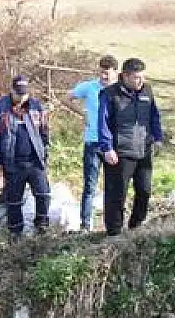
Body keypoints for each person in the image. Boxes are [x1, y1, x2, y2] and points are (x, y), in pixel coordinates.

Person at [97, 57, 165, 236]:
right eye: (136, 77)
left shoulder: (147, 92)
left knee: (144, 190)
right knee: (116, 194)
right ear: (125, 76)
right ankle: (114, 232)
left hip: (143, 150)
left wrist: (158, 137)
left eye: (143, 76)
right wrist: (107, 148)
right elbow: (103, 123)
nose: (141, 80)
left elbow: (154, 116)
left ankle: (136, 226)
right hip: (119, 152)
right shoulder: (110, 94)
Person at [0, 74, 52, 240]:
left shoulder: (36, 106)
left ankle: (42, 226)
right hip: (12, 161)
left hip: (35, 160)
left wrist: (45, 153)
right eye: (18, 94)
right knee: (14, 200)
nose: (21, 98)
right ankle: (15, 233)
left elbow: (44, 131)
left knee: (43, 194)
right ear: (12, 90)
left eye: (24, 94)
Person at [70, 54, 118, 231]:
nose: (104, 76)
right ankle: (85, 225)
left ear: (115, 72)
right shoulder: (90, 87)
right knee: (90, 185)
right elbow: (67, 98)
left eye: (107, 73)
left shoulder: (119, 90)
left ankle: (111, 224)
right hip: (92, 142)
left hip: (112, 144)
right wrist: (82, 114)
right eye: (101, 73)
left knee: (112, 186)